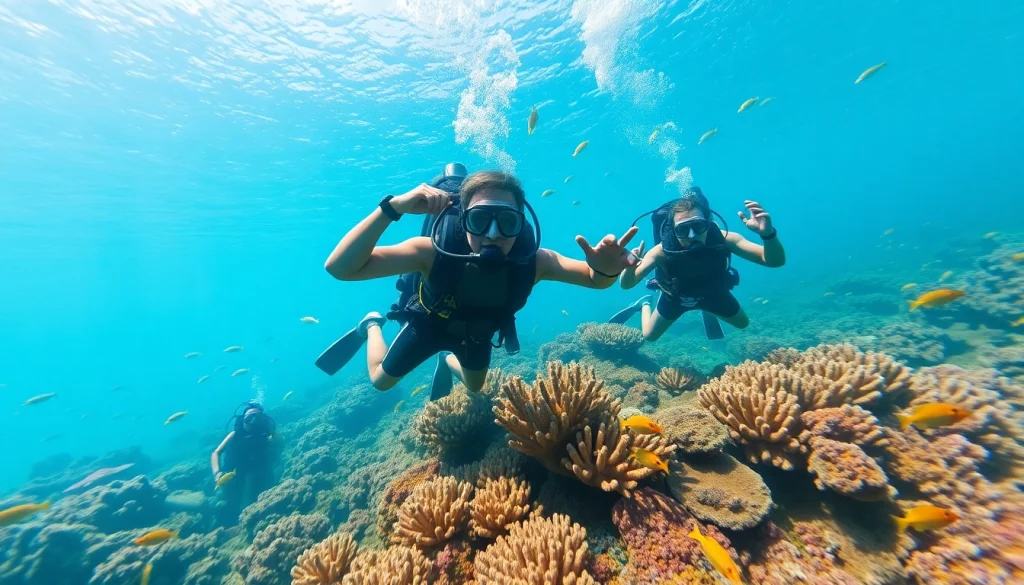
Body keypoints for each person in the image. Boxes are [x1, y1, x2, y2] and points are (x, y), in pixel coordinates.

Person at [319, 164, 639, 399]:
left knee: (475, 387)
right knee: (380, 381)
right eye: (480, 219)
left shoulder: (536, 261)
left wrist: (606, 270)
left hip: (478, 334)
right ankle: (372, 325)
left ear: (521, 223)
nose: (493, 234)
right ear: (463, 221)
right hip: (427, 324)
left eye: (507, 221)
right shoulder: (429, 252)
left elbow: (595, 280)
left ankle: (447, 358)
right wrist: (392, 208)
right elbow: (340, 268)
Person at [609, 186, 785, 341]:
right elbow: (626, 284)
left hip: (713, 293)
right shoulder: (661, 251)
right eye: (683, 229)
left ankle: (707, 309)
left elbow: (774, 261)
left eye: (698, 226)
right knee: (649, 336)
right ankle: (645, 303)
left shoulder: (725, 239)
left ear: (708, 223)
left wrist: (768, 235)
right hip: (675, 297)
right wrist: (629, 268)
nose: (692, 235)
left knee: (743, 323)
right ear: (673, 231)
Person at [211, 401, 277, 522]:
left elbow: (280, 446)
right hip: (234, 468)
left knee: (263, 495)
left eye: (258, 418)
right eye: (249, 418)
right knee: (228, 501)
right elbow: (216, 453)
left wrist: (273, 437)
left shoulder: (268, 432)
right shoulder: (235, 434)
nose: (253, 421)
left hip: (258, 468)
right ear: (242, 420)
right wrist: (217, 473)